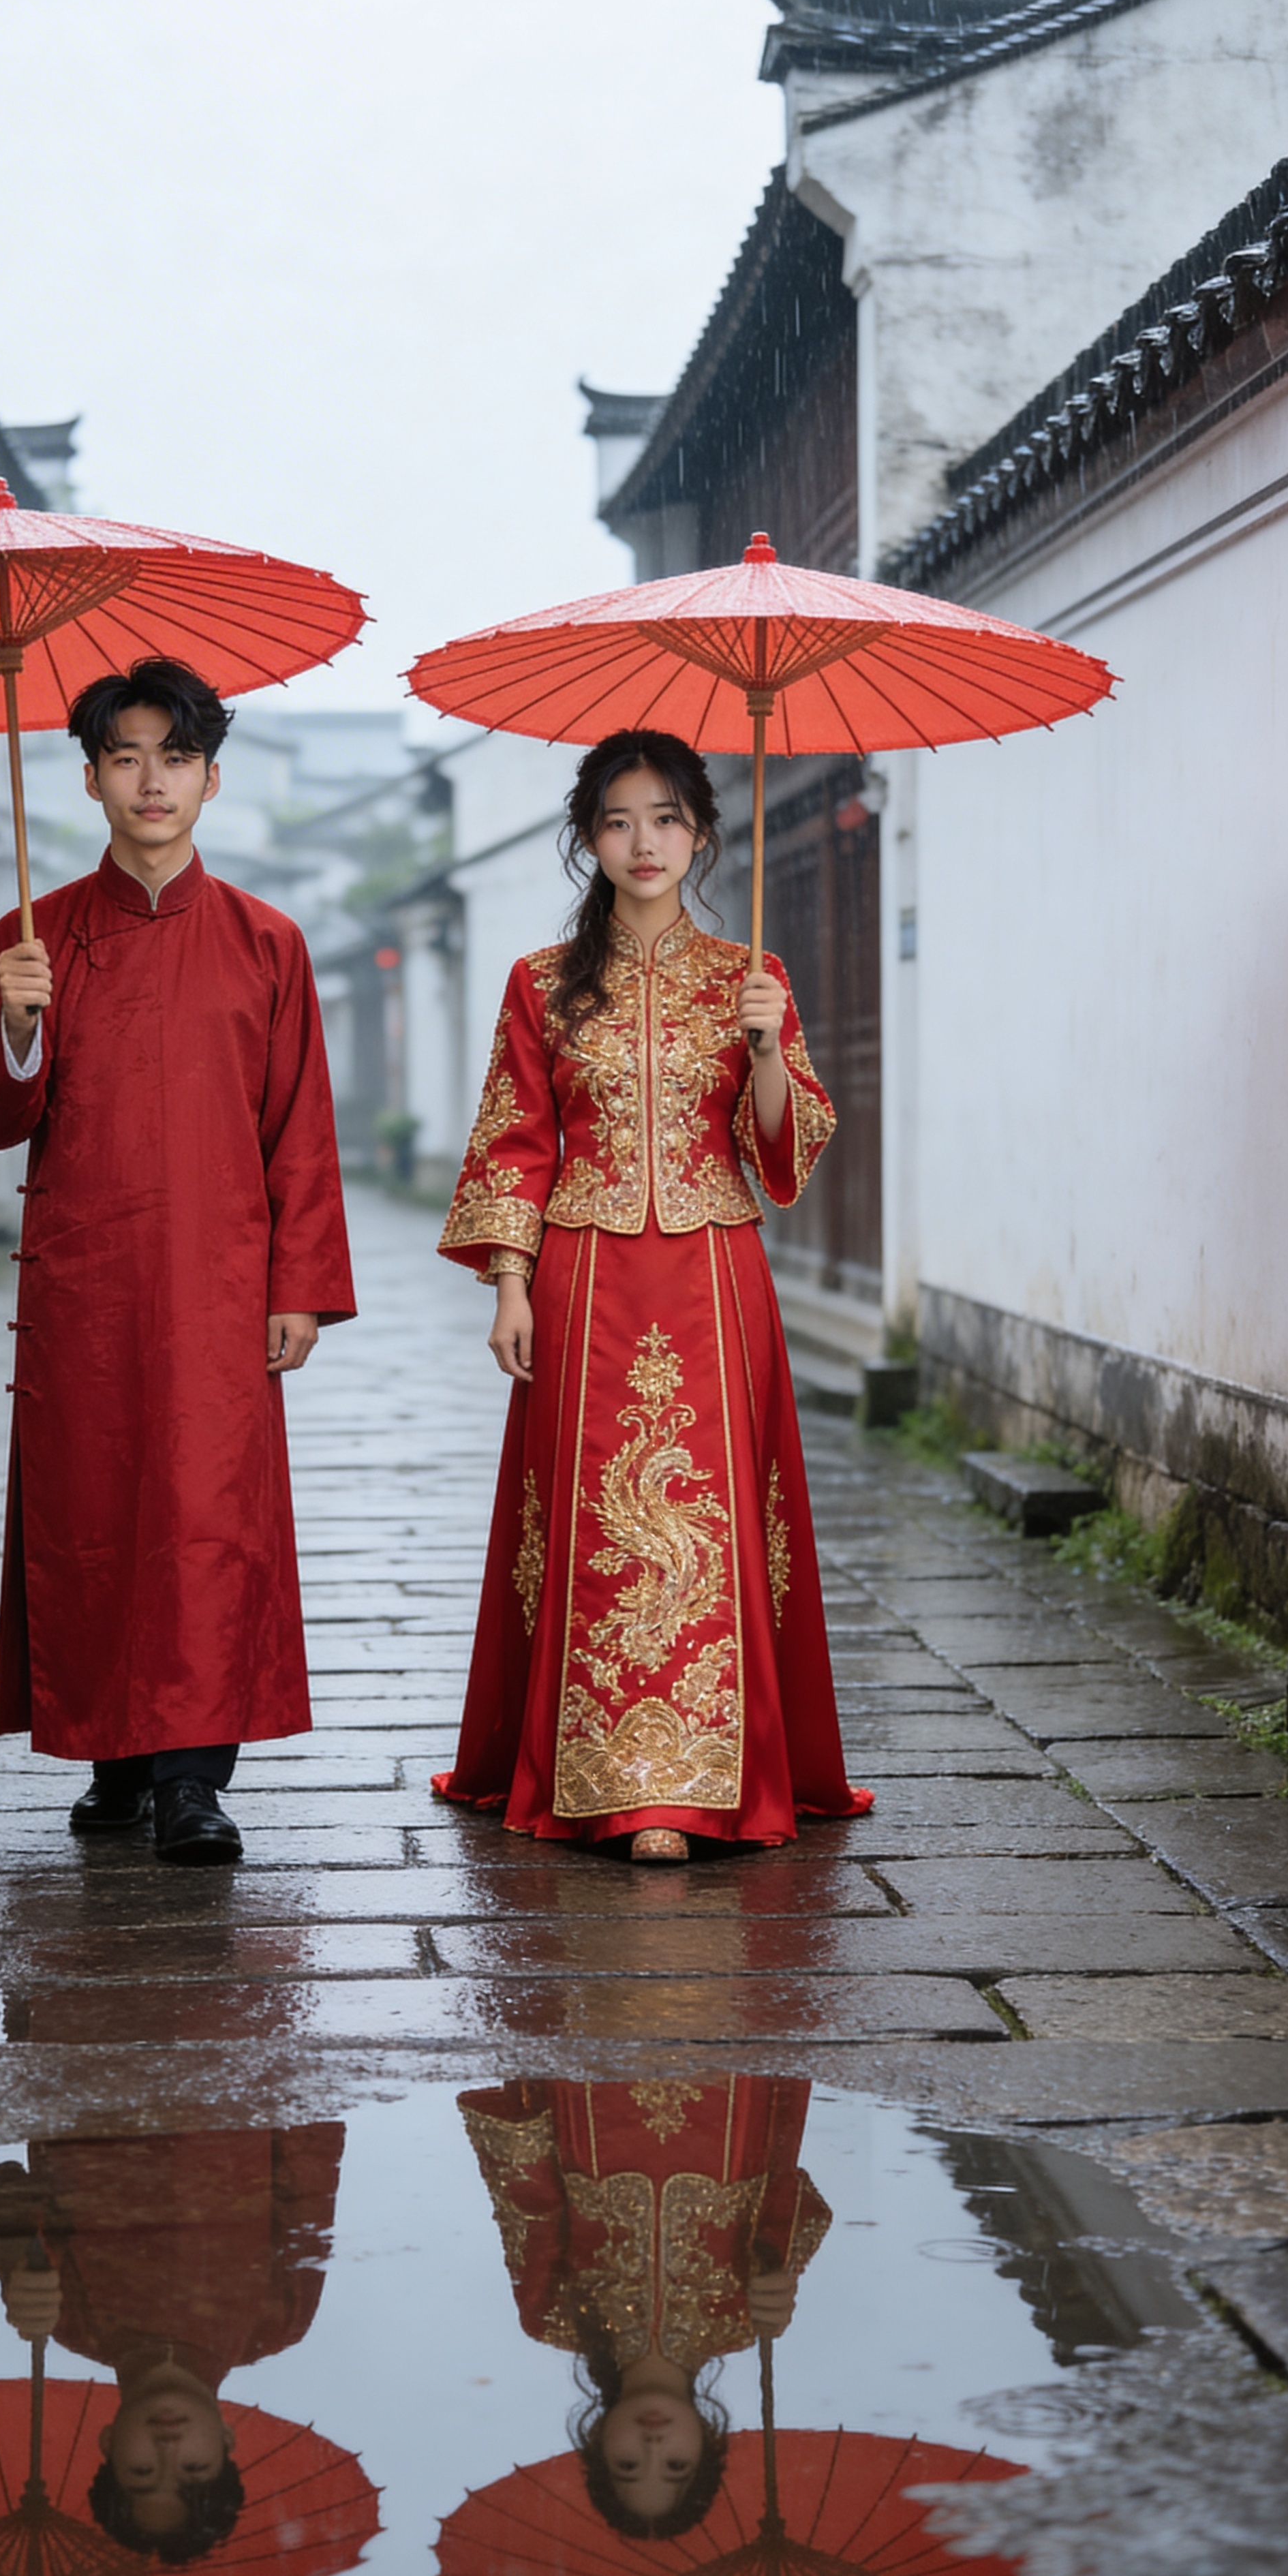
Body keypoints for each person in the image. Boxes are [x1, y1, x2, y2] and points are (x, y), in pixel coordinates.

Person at [0, 655, 354, 1865]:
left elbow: (301, 1129)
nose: (151, 779)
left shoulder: (265, 943)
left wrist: (300, 1289)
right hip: (82, 1277)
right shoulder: (35, 936)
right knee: (95, 1513)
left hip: (220, 1283)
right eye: (125, 755)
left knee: (203, 1519)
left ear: (213, 779)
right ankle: (112, 1757)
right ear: (89, 778)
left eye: (174, 756)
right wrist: (16, 1024)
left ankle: (190, 1780)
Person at [433, 729, 871, 1861]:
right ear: (588, 838)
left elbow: (780, 1156)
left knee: (723, 1523)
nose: (644, 842)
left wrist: (770, 1052)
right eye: (620, 819)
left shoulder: (748, 980)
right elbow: (514, 1145)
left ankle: (699, 1785)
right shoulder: (539, 983)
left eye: (667, 819)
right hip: (581, 1281)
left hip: (715, 1277)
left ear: (701, 836)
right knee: (584, 1519)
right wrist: (509, 1285)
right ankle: (614, 1780)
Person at [457, 2076, 829, 2539]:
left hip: (593, 2093)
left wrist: (541, 2069)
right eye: (676, 2464)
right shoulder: (746, 2321)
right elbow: (786, 2182)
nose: (653, 2444)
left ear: (596, 2442)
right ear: (710, 2445)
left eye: (628, 2464)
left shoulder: (552, 2314)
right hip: (731, 2098)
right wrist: (782, 2263)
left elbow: (526, 2194)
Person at [0, 2123, 346, 2563]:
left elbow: (4, 2185)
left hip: (87, 2073)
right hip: (230, 2075)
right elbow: (310, 2158)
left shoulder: (65, 2316)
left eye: (143, 2471)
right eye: (194, 2467)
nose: (168, 2448)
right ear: (225, 2442)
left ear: (109, 2444)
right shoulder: (278, 2319)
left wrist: (16, 2258)